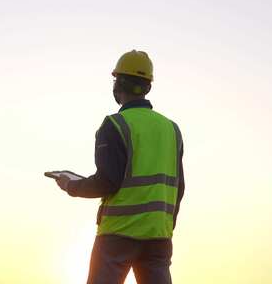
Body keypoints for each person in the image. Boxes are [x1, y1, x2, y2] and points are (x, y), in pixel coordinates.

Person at [54, 50, 185, 284]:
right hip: (158, 237)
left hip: (118, 235)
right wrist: (165, 225)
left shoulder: (114, 125)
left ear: (119, 84)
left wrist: (71, 185)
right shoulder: (171, 129)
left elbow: (107, 182)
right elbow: (179, 187)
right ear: (147, 87)